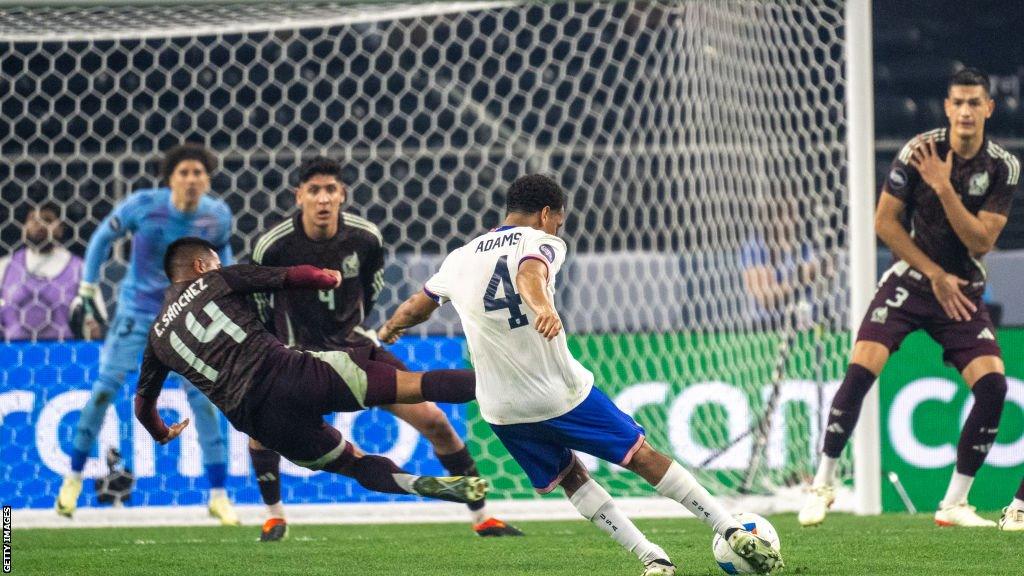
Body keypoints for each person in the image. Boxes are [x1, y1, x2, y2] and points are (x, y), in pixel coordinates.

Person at [379, 175, 783, 575]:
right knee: (640, 455)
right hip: (560, 395)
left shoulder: (459, 257)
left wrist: (390, 328)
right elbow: (528, 274)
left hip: (502, 410)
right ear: (545, 213)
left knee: (571, 477)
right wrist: (543, 308)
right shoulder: (540, 240)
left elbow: (418, 305)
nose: (558, 228)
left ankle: (652, 558)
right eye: (559, 220)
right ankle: (728, 527)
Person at [248, 156, 521, 541]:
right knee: (260, 430)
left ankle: (482, 517)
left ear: (342, 194)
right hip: (301, 361)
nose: (323, 199)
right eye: (314, 191)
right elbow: (261, 307)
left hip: (357, 349)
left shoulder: (365, 237)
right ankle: (274, 517)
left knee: (437, 423)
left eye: (330, 190)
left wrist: (355, 329)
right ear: (299, 197)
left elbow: (371, 289)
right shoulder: (272, 247)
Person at [799, 67, 1020, 528]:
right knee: (861, 369)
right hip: (913, 279)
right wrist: (933, 272)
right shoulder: (919, 150)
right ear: (947, 107)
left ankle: (955, 503)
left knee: (993, 387)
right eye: (957, 102)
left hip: (960, 289)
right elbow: (884, 223)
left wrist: (942, 187)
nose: (964, 111)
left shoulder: (1002, 166)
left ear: (988, 108)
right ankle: (822, 484)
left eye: (973, 103)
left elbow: (981, 243)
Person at [134, 237, 487, 515]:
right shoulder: (215, 280)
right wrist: (325, 277)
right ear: (200, 266)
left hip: (261, 422)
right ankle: (502, 384)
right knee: (413, 386)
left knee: (355, 463)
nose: (219, 266)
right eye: (215, 262)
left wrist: (163, 432)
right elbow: (285, 277)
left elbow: (143, 406)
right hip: (293, 374)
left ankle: (416, 485)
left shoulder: (157, 339)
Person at [56, 143, 238, 524]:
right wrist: (87, 289)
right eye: (183, 173)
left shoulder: (217, 215)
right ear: (170, 178)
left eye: (198, 173)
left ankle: (219, 495)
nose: (191, 179)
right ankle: (72, 479)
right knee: (105, 389)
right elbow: (101, 239)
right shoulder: (143, 205)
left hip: (188, 318)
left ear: (207, 179)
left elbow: (225, 258)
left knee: (204, 400)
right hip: (137, 313)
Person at [0, 203, 100, 341]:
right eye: (33, 219)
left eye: (47, 220)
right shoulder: (5, 266)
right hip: (13, 357)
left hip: (63, 357)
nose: (39, 224)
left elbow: (97, 324)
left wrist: (91, 326)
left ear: (61, 227)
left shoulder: (80, 269)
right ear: (23, 226)